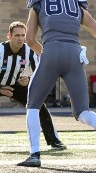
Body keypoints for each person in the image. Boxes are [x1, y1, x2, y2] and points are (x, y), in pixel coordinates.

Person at [18, 0, 96, 167]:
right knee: (83, 111)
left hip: (50, 51)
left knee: (33, 105)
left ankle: (34, 155)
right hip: (75, 54)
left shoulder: (39, 0)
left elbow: (30, 39)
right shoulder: (77, 4)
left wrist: (47, 54)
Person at [0, 21, 65, 150]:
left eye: (23, 35)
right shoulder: (0, 51)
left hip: (16, 85)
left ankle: (54, 140)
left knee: (39, 105)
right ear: (9, 36)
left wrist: (28, 79)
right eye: (17, 35)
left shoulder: (29, 52)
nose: (20, 38)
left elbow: (37, 71)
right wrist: (1, 89)